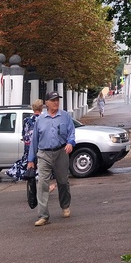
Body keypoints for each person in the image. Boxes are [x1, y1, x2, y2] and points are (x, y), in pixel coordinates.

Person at [27, 90, 76, 227]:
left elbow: (71, 133)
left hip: (61, 152)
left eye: (57, 100)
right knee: (42, 183)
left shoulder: (65, 116)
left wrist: (70, 143)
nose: (56, 102)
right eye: (53, 100)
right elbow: (34, 140)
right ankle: (43, 215)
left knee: (63, 182)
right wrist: (31, 160)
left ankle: (65, 206)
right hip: (44, 154)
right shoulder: (40, 120)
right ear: (46, 103)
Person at [5, 99, 44, 182]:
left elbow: (24, 134)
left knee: (28, 164)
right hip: (40, 146)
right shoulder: (43, 120)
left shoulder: (26, 120)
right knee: (40, 166)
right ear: (41, 108)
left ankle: (29, 179)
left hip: (28, 146)